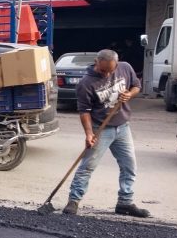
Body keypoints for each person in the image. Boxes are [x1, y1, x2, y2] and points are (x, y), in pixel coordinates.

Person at [62, 49, 149, 218]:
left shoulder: (124, 68)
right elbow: (84, 111)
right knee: (87, 166)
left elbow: (136, 86)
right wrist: (88, 133)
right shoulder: (86, 83)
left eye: (111, 70)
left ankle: (125, 203)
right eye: (103, 70)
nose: (107, 73)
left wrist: (129, 94)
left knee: (129, 166)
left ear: (117, 63)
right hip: (99, 128)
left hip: (123, 127)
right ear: (97, 62)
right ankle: (73, 201)